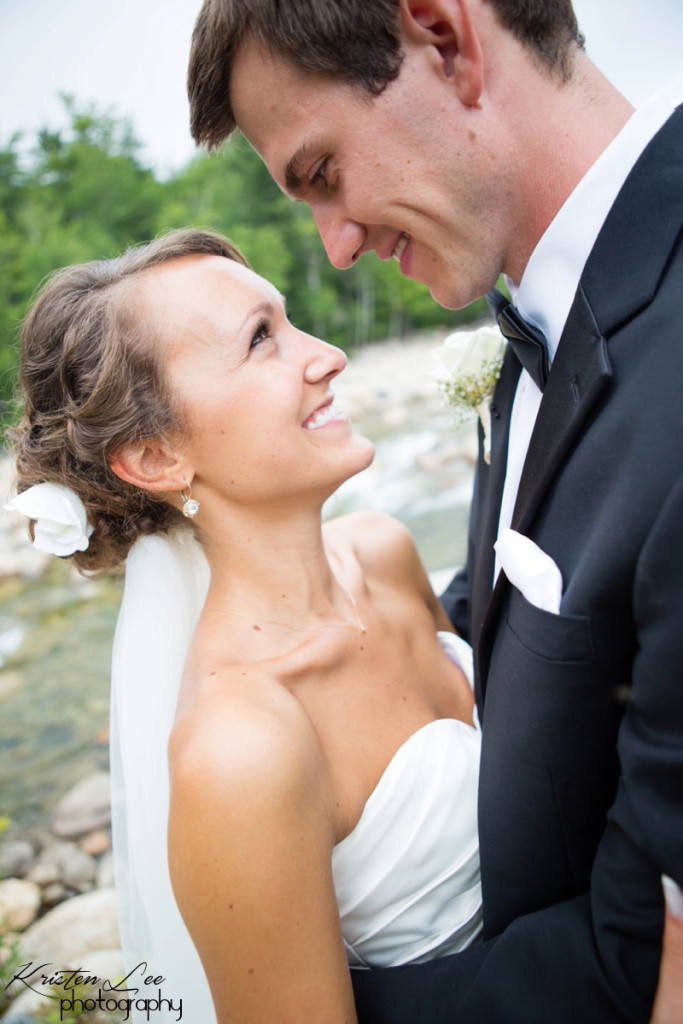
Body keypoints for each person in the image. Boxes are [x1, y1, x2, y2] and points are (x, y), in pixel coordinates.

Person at [187, 0, 683, 1020]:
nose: (332, 247)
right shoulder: (545, 309)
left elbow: (644, 952)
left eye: (322, 173)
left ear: (443, 40)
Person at [7, 228, 484, 1024]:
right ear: (156, 457)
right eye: (261, 340)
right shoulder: (240, 749)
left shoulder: (387, 554)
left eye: (289, 321)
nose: (327, 354)